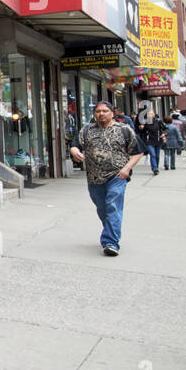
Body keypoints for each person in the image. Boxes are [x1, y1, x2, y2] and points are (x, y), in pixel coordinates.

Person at [69, 101, 144, 256]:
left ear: (112, 113)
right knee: (103, 208)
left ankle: (110, 242)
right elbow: (75, 145)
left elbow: (138, 152)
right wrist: (74, 151)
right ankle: (111, 230)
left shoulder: (124, 130)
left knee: (112, 206)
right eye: (98, 111)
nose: (101, 114)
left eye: (104, 111)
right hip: (94, 178)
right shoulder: (87, 130)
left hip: (117, 175)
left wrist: (126, 168)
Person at [135, 105, 165, 175]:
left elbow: (165, 128)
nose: (150, 115)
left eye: (152, 113)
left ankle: (156, 167)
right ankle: (155, 168)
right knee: (153, 154)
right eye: (149, 114)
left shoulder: (159, 121)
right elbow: (141, 131)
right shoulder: (145, 122)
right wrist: (141, 128)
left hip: (158, 140)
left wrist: (164, 134)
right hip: (149, 141)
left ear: (154, 114)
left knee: (157, 155)